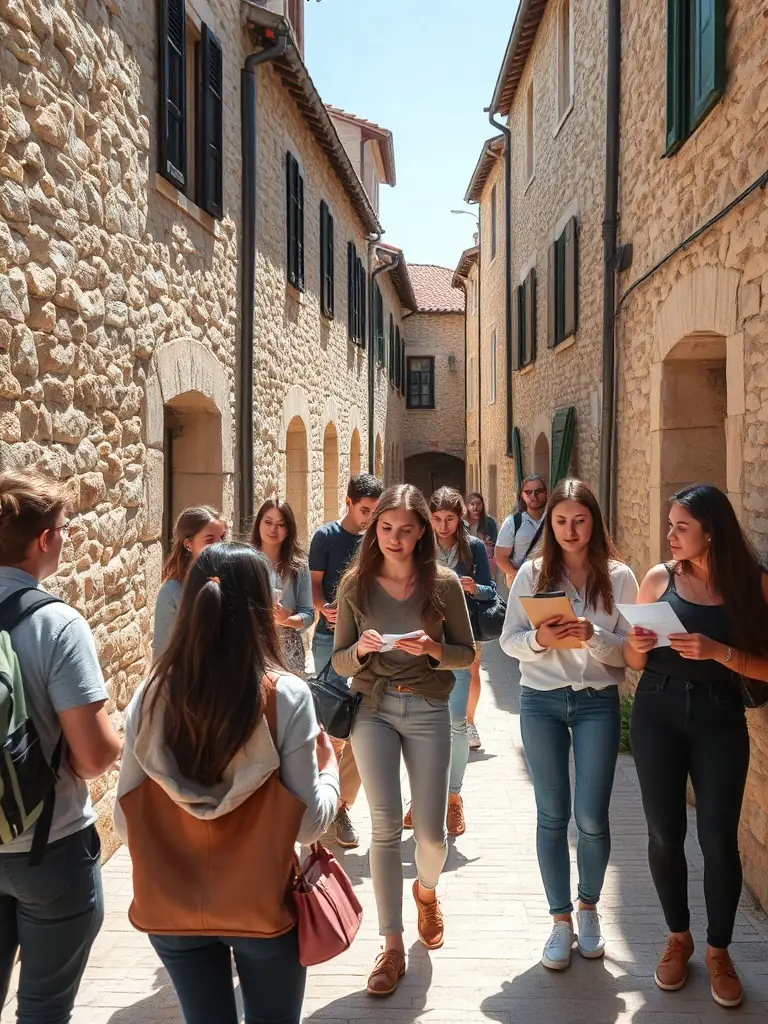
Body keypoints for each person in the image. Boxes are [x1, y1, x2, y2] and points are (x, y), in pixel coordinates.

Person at [115, 543, 339, 1024]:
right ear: (260, 608)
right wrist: (329, 770)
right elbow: (307, 827)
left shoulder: (151, 694)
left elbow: (124, 817)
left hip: (170, 905)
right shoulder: (286, 697)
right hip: (261, 905)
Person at [625, 485, 768, 1010]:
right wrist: (636, 645)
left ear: (712, 530)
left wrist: (719, 652)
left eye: (680, 525)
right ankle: (677, 937)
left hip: (719, 717)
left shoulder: (754, 585)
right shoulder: (658, 578)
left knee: (718, 840)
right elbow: (634, 662)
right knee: (664, 834)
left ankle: (718, 951)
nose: (670, 534)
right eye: (669, 524)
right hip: (656, 712)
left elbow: (764, 665)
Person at [332, 484, 475, 997]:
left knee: (432, 838)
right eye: (385, 527)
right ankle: (390, 946)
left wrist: (435, 647)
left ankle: (427, 890)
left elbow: (466, 653)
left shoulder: (442, 584)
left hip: (429, 708)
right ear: (375, 530)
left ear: (422, 532)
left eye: (406, 529)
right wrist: (362, 652)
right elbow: (338, 659)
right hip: (373, 709)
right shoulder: (355, 584)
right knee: (385, 826)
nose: (395, 537)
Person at [500, 478, 638, 971]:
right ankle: (560, 921)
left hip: (598, 701)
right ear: (550, 525)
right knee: (551, 814)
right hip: (540, 702)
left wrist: (594, 635)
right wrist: (538, 638)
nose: (570, 529)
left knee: (592, 815)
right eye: (561, 521)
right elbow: (508, 640)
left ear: (594, 522)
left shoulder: (620, 577)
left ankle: (589, 909)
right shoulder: (533, 574)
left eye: (579, 520)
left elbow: (632, 653)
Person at [0, 471, 123, 1020]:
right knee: (44, 1009)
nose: (69, 537)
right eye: (65, 528)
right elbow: (94, 756)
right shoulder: (56, 624)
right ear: (46, 540)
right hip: (48, 845)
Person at [408, 486, 496, 835]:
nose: (443, 526)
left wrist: (473, 587)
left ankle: (454, 798)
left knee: (457, 724)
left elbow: (491, 591)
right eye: (437, 518)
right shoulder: (419, 547)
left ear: (460, 518)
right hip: (420, 642)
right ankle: (420, 798)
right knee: (419, 727)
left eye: (450, 519)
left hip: (459, 641)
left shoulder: (472, 547)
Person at [309, 473, 384, 849]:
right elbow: (314, 584)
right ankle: (318, 796)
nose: (371, 519)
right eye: (365, 510)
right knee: (331, 720)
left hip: (371, 644)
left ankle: (340, 807)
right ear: (348, 501)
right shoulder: (325, 537)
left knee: (358, 722)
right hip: (329, 640)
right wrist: (324, 609)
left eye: (376, 511)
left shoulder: (379, 538)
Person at [152, 506, 226, 659]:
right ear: (188, 544)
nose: (219, 546)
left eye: (222, 538)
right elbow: (162, 652)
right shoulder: (172, 593)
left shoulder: (231, 580)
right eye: (210, 540)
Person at [251, 499, 313, 676]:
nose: (273, 529)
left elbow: (308, 615)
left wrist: (286, 619)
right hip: (253, 646)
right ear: (259, 524)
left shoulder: (298, 566)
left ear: (288, 530)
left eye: (280, 524)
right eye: (268, 522)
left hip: (288, 652)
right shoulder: (244, 560)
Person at [464, 491, 498, 749]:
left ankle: (468, 721)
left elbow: (490, 587)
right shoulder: (426, 545)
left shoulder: (485, 531)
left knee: (472, 668)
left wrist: (474, 587)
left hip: (470, 616)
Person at [495, 475, 548, 583]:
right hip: (523, 582)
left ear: (546, 493)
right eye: (528, 492)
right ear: (522, 495)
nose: (533, 495)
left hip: (550, 581)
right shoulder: (513, 522)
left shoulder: (554, 520)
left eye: (538, 491)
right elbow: (501, 557)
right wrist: (519, 576)